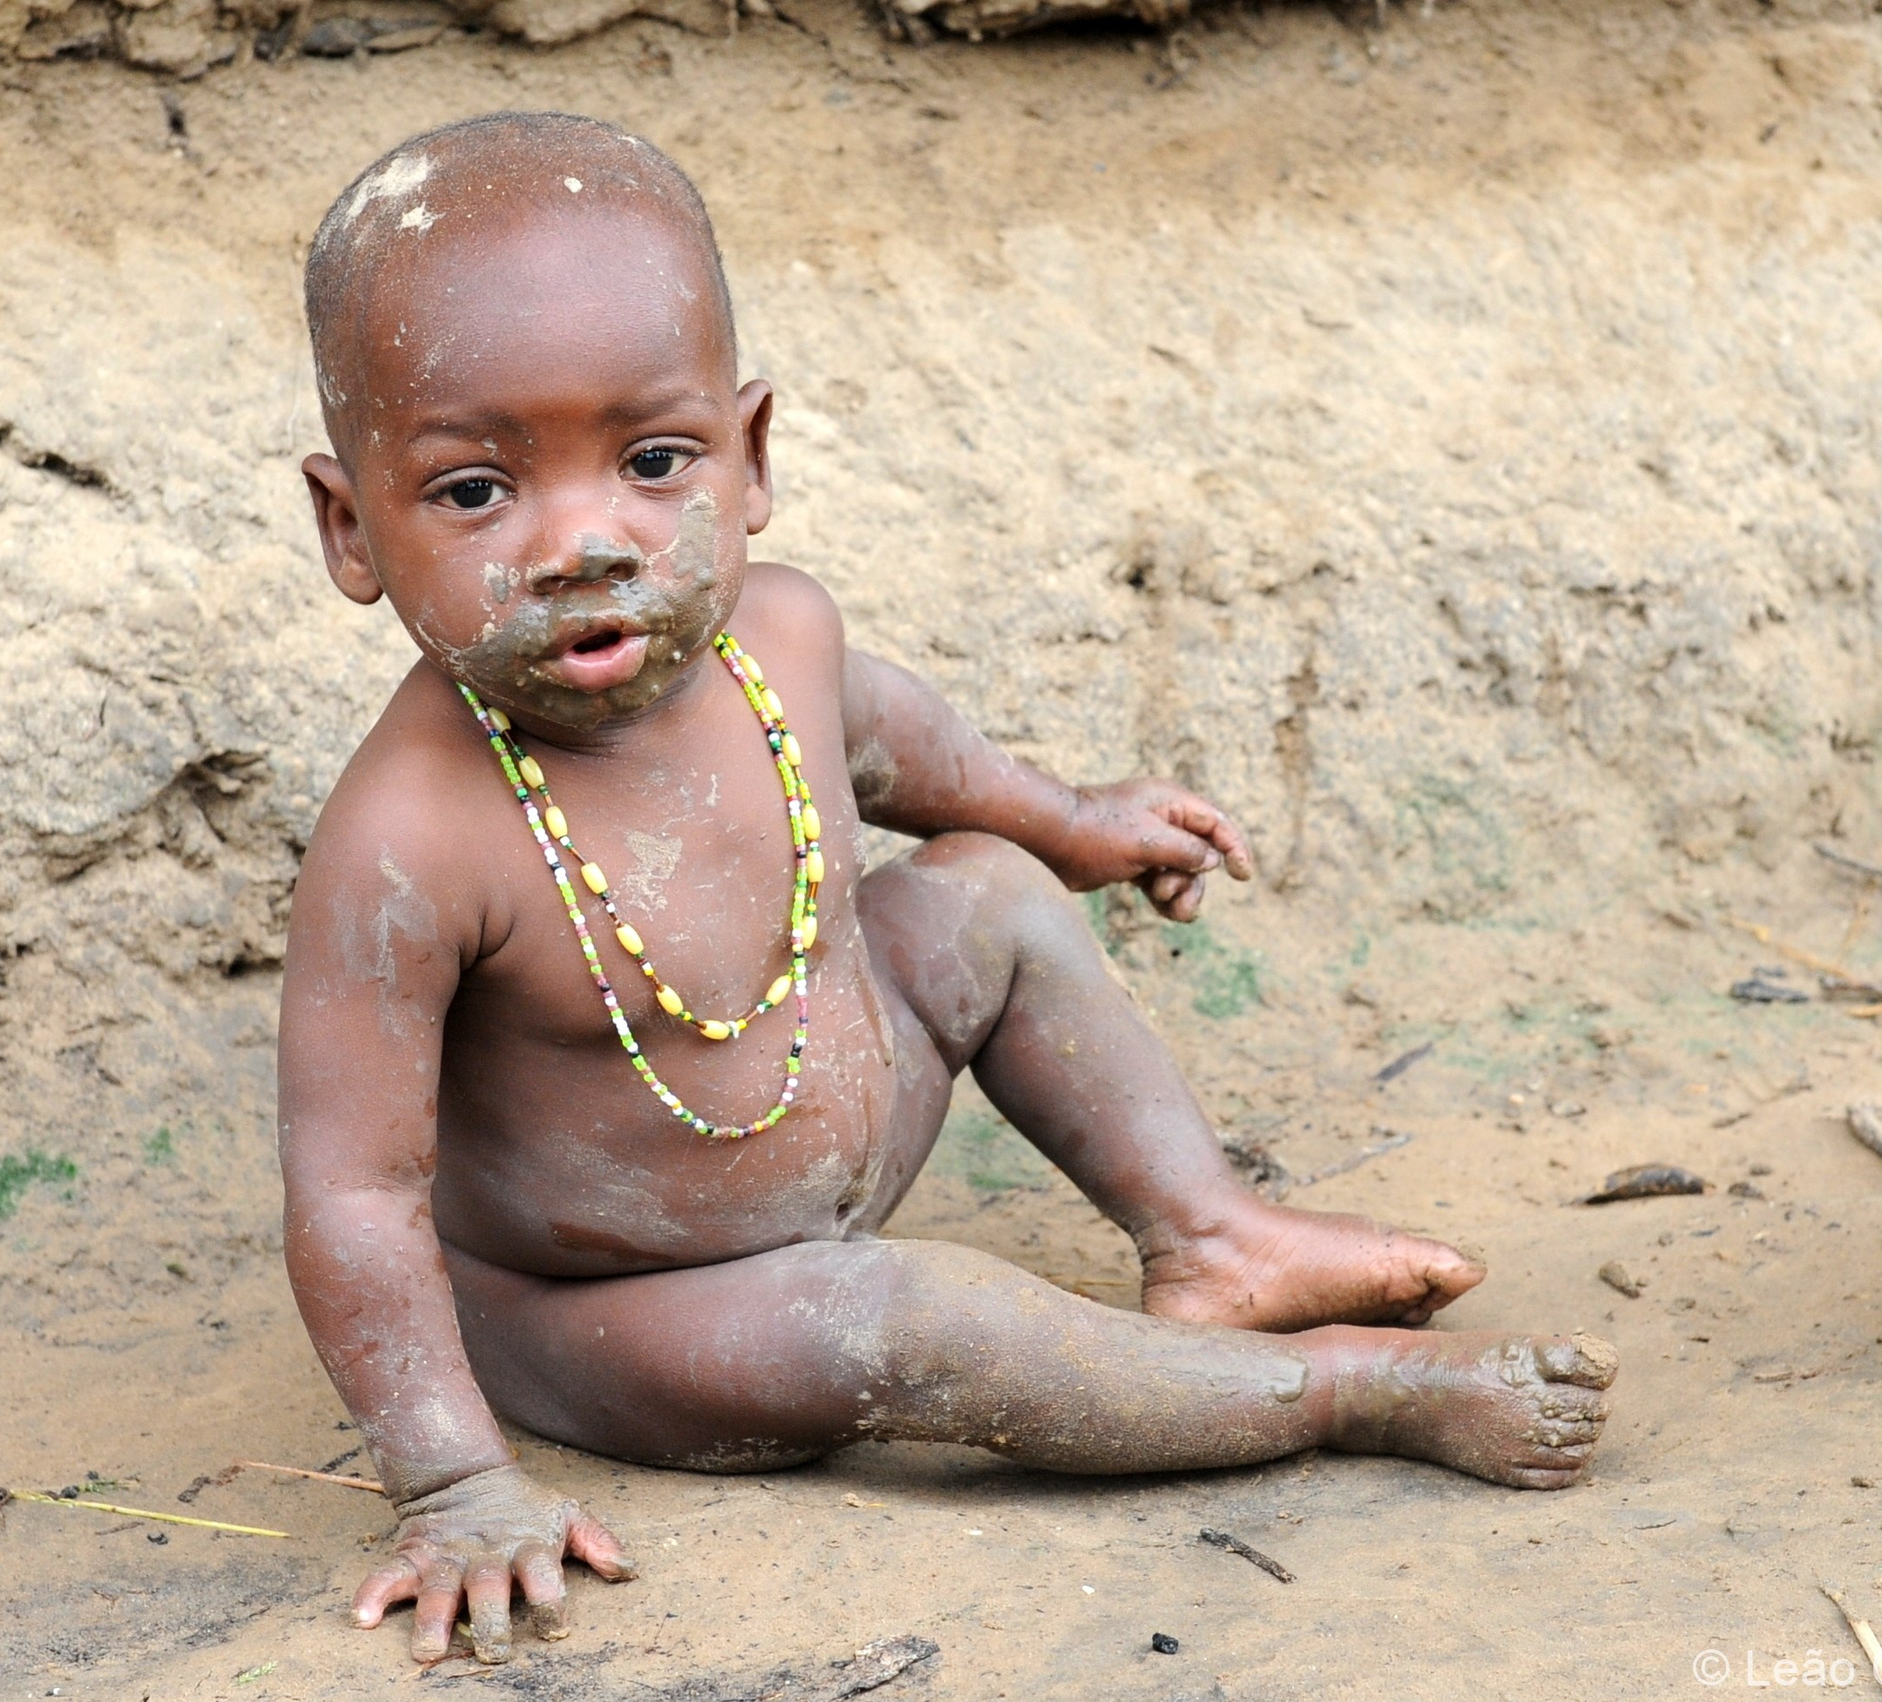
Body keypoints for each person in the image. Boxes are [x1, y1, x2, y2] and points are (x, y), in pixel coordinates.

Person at [278, 111, 1614, 1666]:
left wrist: (1078, 822)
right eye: (471, 492)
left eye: (652, 463)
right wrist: (454, 1477)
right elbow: (354, 1193)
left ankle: (1214, 1232)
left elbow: (911, 753)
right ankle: (1347, 1390)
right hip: (634, 1306)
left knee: (982, 890)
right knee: (914, 1320)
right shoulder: (409, 835)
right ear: (348, 525)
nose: (584, 540)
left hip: (846, 1123)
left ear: (753, 455)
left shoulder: (782, 639)